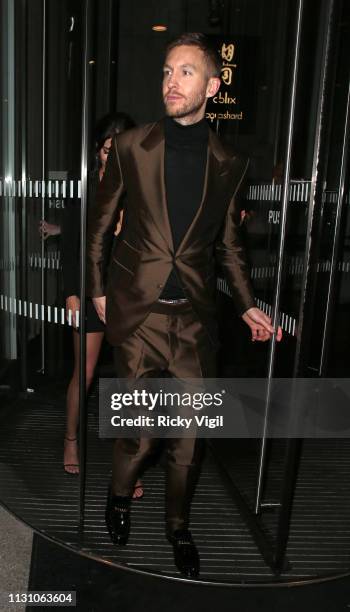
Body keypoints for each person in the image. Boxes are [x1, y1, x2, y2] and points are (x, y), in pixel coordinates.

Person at [86, 33, 282, 578]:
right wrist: (98, 287)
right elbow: (100, 225)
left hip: (195, 319)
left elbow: (229, 246)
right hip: (141, 316)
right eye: (168, 71)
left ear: (212, 87)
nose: (172, 81)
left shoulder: (230, 162)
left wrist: (246, 305)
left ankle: (178, 525)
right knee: (140, 431)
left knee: (191, 439)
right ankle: (119, 495)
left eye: (187, 73)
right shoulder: (131, 146)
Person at [62, 112, 144, 499]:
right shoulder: (85, 190)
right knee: (87, 372)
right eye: (109, 149)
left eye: (121, 150)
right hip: (88, 291)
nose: (114, 157)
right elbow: (71, 246)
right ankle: (70, 440)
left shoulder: (138, 188)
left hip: (127, 295)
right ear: (98, 151)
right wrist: (71, 293)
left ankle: (127, 463)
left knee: (131, 380)